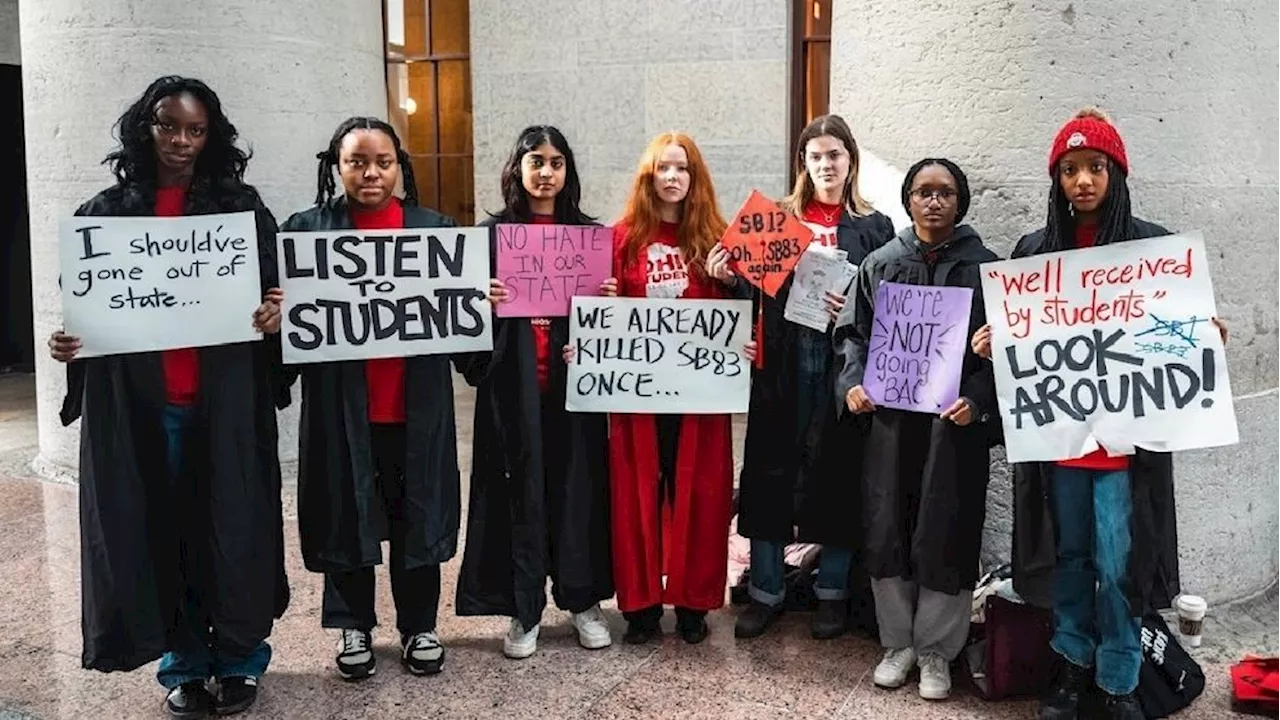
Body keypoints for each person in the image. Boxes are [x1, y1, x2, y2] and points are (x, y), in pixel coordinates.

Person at [972, 108, 1227, 720]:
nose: (1081, 180)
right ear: (1056, 180)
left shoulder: (1152, 247)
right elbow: (1027, 345)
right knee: (1070, 559)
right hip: (1060, 444)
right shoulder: (1033, 251)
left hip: (1123, 451)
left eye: (1094, 167)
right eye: (1068, 170)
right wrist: (995, 342)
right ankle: (1072, 665)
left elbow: (1171, 334)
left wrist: (1201, 335)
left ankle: (1119, 678)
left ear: (1116, 173)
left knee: (1118, 566)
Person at [48, 75, 288, 718]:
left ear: (212, 136)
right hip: (144, 413)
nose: (181, 140)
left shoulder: (242, 211)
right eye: (168, 125)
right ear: (144, 127)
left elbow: (276, 299)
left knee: (232, 532)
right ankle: (182, 665)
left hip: (225, 407)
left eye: (195, 129)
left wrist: (274, 316)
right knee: (162, 533)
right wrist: (70, 344)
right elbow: (88, 312)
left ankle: (240, 661)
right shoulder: (106, 214)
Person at [278, 117, 464, 681]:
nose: (370, 173)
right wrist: (275, 311)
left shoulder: (435, 231)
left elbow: (465, 335)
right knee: (344, 513)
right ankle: (353, 624)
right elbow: (284, 331)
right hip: (343, 412)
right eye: (356, 161)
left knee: (418, 515)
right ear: (336, 166)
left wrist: (480, 303)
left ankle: (419, 625)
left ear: (399, 165)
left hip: (415, 410)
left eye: (382, 161)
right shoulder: (306, 234)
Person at [836, 158, 998, 701]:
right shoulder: (880, 265)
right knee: (890, 526)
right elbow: (852, 337)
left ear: (961, 201)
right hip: (891, 425)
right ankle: (897, 641)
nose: (933, 201)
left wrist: (978, 399)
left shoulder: (986, 270)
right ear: (907, 200)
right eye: (923, 192)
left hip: (952, 428)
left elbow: (1009, 355)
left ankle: (936, 651)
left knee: (945, 529)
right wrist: (853, 384)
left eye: (945, 193)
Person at [455, 125, 615, 659]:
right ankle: (523, 608)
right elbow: (461, 328)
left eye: (556, 162)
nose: (545, 172)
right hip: (513, 389)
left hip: (573, 391)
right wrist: (483, 300)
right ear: (517, 169)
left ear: (568, 171)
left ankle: (582, 600)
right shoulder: (491, 237)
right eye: (535, 161)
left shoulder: (590, 237)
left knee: (578, 490)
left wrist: (605, 304)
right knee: (517, 494)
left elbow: (612, 332)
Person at [735, 114, 894, 641]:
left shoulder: (874, 226)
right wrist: (731, 294)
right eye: (817, 156)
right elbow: (744, 297)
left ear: (851, 161)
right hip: (781, 359)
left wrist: (852, 306)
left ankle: (831, 592)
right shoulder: (774, 220)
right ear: (803, 163)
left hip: (841, 360)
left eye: (836, 155)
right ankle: (765, 590)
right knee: (768, 470)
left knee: (839, 472)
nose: (827, 165)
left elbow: (884, 301)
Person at [600, 132, 755, 645]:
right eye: (663, 168)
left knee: (704, 495)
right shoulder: (620, 240)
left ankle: (694, 603)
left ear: (696, 178)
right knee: (635, 497)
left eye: (682, 169)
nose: (672, 177)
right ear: (648, 177)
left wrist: (734, 290)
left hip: (699, 399)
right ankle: (640, 607)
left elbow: (754, 309)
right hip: (637, 396)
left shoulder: (718, 239)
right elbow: (601, 316)